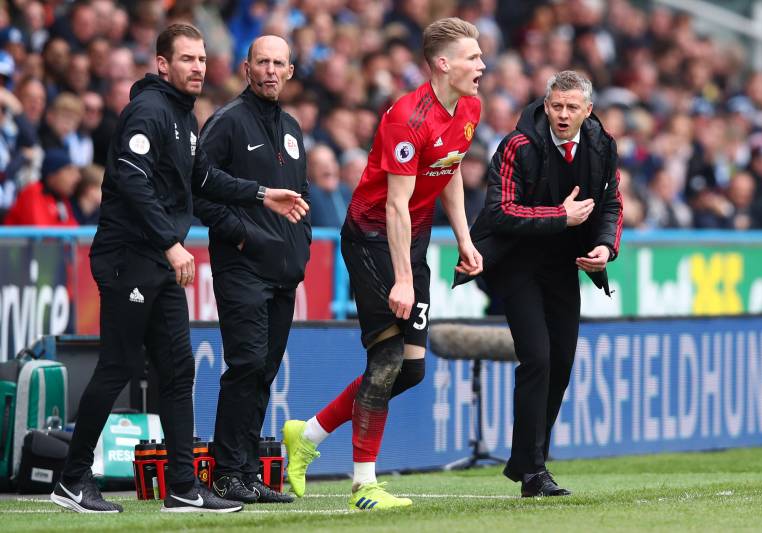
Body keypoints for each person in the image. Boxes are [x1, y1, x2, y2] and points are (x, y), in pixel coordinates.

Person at [50, 23, 307, 514]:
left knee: (178, 371)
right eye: (187, 59)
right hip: (130, 258)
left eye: (202, 59)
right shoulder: (148, 111)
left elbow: (204, 177)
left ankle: (184, 487)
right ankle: (73, 477)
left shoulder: (186, 119)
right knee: (119, 365)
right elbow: (130, 179)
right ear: (163, 64)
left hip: (159, 263)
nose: (197, 68)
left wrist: (261, 194)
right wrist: (171, 243)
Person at [282, 17, 485, 510]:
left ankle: (306, 433)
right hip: (374, 238)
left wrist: (464, 237)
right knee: (387, 359)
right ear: (443, 64)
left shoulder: (470, 107)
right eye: (472, 57)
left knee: (411, 371)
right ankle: (364, 484)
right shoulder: (407, 118)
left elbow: (448, 170)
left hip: (412, 240)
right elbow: (395, 204)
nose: (482, 65)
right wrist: (401, 278)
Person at [454, 70, 622, 497]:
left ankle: (529, 461)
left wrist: (604, 247)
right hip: (516, 263)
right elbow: (499, 212)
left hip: (565, 264)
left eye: (571, 108)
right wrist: (559, 217)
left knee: (561, 364)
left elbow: (611, 204)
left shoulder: (602, 146)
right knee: (538, 360)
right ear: (545, 106)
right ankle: (533, 471)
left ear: (588, 111)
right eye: (556, 106)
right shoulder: (517, 145)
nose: (562, 115)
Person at [192, 35, 309, 505]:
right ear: (246, 68)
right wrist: (239, 233)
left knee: (263, 370)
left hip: (283, 271)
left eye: (278, 63)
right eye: (262, 62)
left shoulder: (293, 127)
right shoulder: (226, 123)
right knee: (245, 365)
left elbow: (297, 200)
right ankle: (224, 473)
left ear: (291, 72)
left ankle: (244, 470)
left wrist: (298, 249)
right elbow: (197, 190)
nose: (270, 71)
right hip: (242, 266)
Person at [4, 149, 79, 226]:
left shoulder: (61, 198)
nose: (77, 177)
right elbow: (41, 233)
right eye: (70, 171)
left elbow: (73, 229)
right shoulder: (32, 192)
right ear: (52, 175)